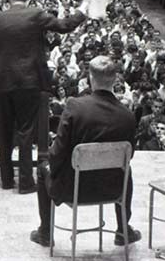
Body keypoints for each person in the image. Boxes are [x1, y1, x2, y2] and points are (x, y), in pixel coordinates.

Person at [0, 0, 88, 193]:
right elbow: (65, 26)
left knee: (4, 130)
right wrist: (82, 11)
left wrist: (0, 68)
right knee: (25, 131)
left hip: (3, 80)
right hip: (29, 81)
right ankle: (26, 183)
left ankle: (7, 180)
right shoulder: (37, 14)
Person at [31, 56, 141, 247]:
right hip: (112, 189)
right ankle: (123, 230)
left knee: (43, 167)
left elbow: (57, 153)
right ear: (115, 80)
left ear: (90, 78)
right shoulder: (128, 115)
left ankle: (45, 233)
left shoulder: (75, 106)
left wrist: (53, 169)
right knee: (126, 169)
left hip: (73, 189)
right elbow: (128, 157)